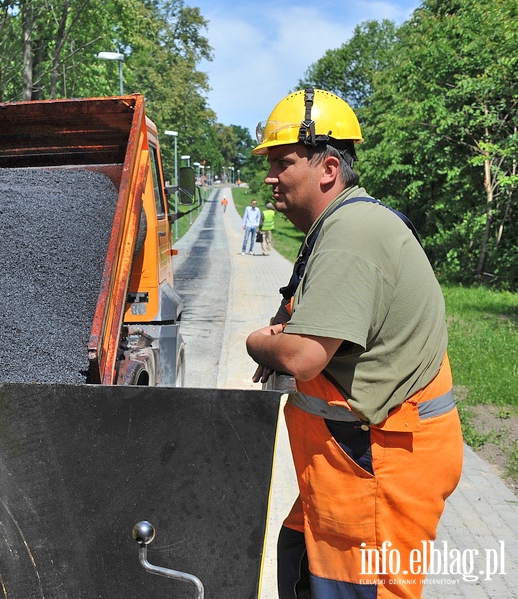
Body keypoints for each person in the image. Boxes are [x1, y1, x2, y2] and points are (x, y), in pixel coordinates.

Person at [245, 88, 462, 599]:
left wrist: (257, 342)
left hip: (382, 466)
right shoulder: (337, 225)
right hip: (352, 462)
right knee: (301, 565)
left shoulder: (352, 232)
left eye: (283, 162)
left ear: (327, 169)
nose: (270, 177)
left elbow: (303, 355)